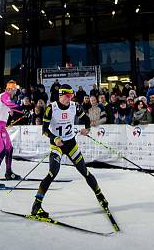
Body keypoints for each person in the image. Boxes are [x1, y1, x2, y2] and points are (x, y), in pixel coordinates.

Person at [31, 84, 108, 219]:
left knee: (84, 171)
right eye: (68, 96)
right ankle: (36, 205)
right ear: (61, 95)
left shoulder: (74, 106)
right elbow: (44, 129)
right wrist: (54, 138)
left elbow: (86, 119)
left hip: (71, 144)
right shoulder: (51, 108)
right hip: (57, 145)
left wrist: (87, 129)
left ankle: (100, 197)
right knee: (52, 172)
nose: (70, 98)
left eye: (71, 96)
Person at [0, 80, 24, 188]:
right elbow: (9, 103)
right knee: (1, 151)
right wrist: (21, 109)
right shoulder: (5, 96)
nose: (15, 92)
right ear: (9, 89)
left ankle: (9, 172)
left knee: (9, 148)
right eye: (14, 90)